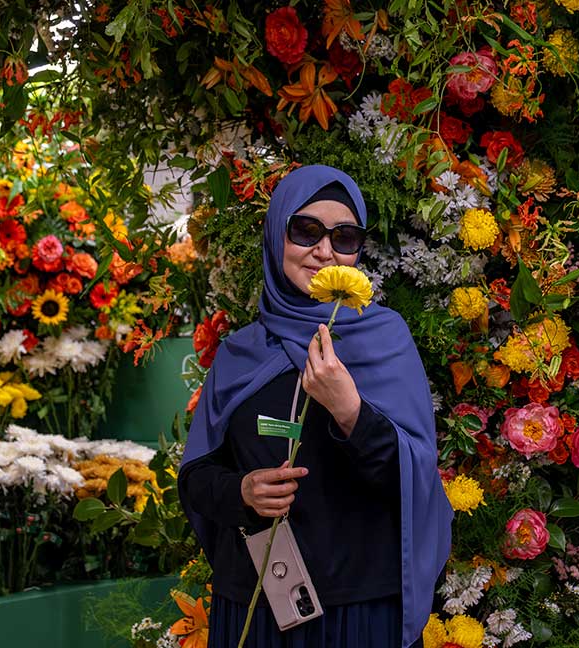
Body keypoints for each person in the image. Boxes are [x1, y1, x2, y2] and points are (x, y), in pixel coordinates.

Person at [178, 164, 453, 648]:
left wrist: (350, 410)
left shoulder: (384, 341)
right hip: (254, 606)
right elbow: (197, 478)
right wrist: (242, 492)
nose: (324, 250)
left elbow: (413, 481)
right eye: (306, 230)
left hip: (357, 611)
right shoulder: (240, 352)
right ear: (276, 234)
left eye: (344, 237)